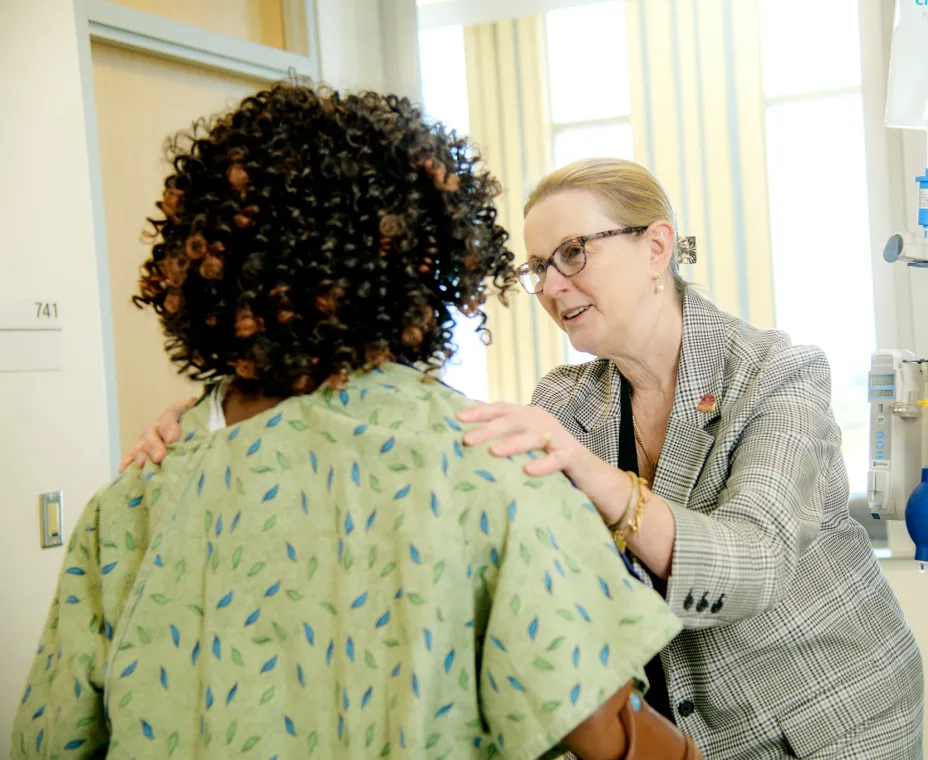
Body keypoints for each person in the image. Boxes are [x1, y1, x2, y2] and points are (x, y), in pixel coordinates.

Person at [122, 156, 924, 758]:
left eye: (572, 252)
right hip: (689, 728)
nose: (548, 283)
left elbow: (752, 565)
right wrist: (225, 417)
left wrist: (596, 478)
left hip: (824, 718)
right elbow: (446, 468)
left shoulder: (778, 374)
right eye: (535, 266)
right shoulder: (566, 399)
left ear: (656, 248)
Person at [11, 86, 702, 760]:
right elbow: (600, 726)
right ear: (417, 260)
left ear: (212, 263)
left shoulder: (131, 503)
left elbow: (50, 738)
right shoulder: (495, 469)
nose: (553, 285)